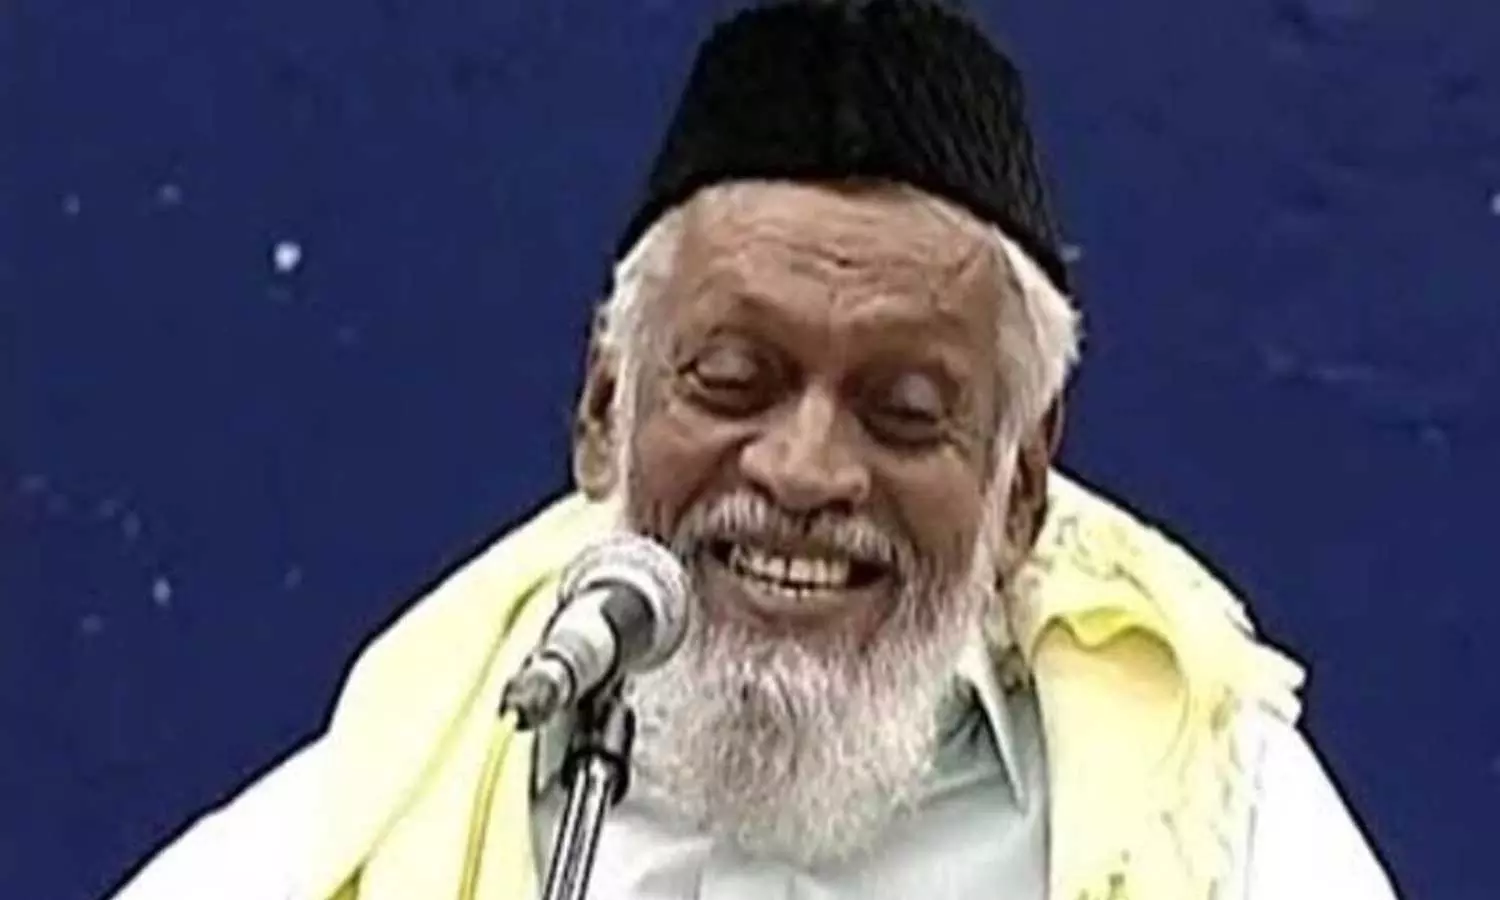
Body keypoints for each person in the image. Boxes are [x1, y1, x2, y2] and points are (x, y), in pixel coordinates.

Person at [108, 2, 1401, 898]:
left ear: (1019, 483)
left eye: (904, 412)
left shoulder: (1218, 826)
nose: (802, 470)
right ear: (605, 408)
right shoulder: (384, 812)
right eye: (733, 383)